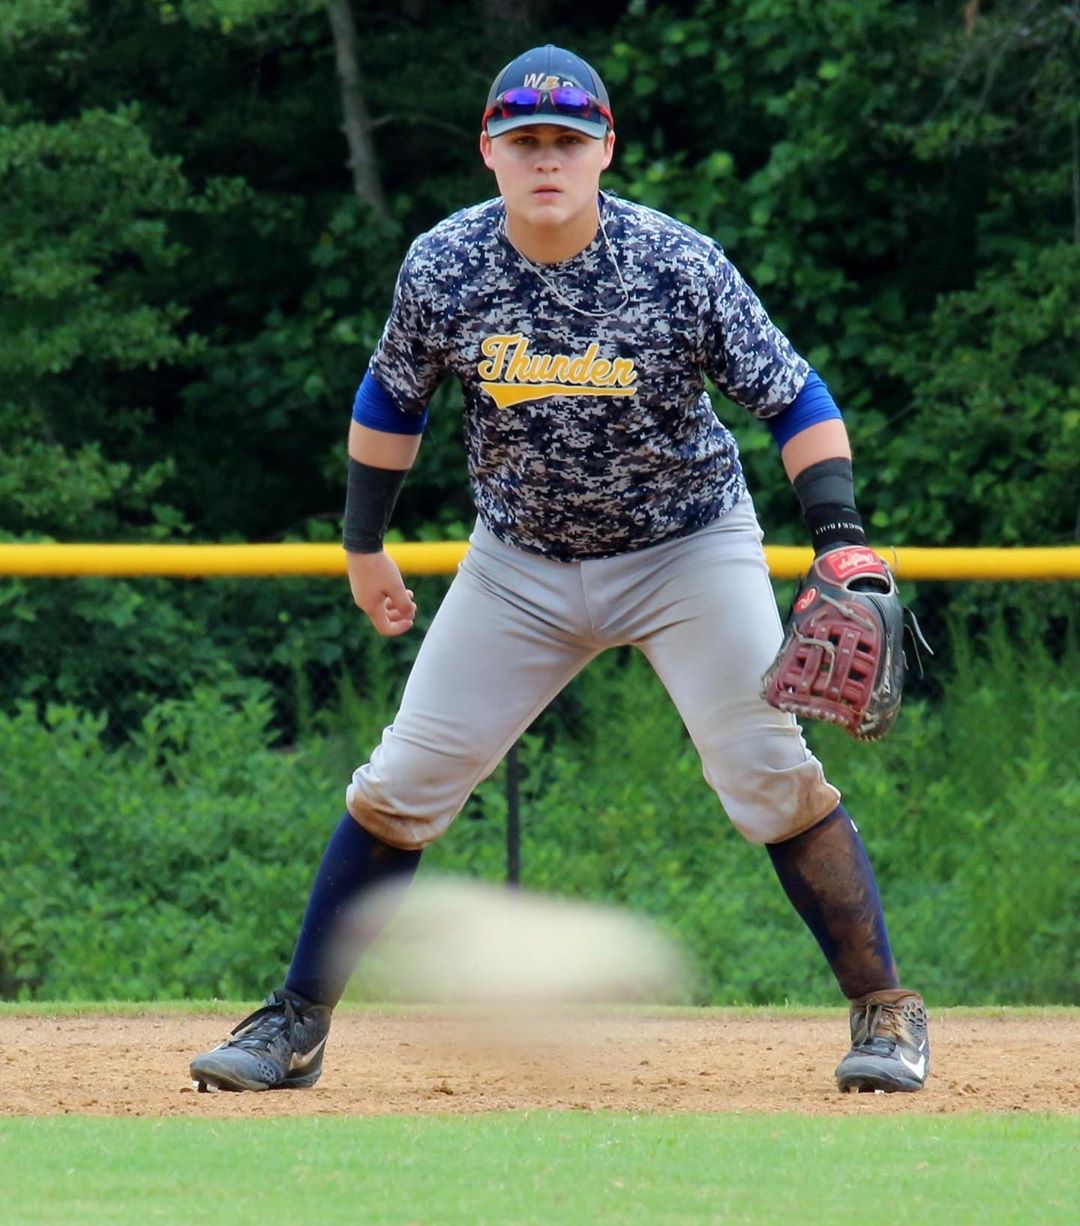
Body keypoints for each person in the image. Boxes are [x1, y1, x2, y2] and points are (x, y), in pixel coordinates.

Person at [190, 45, 929, 1095]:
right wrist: (363, 545)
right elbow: (390, 402)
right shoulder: (445, 266)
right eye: (526, 139)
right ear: (490, 150)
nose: (548, 158)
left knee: (765, 774)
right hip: (520, 565)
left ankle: (886, 1011)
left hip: (687, 548)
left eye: (568, 140)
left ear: (604, 150)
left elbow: (794, 398)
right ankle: (294, 1022)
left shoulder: (676, 262)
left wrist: (840, 532)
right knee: (401, 783)